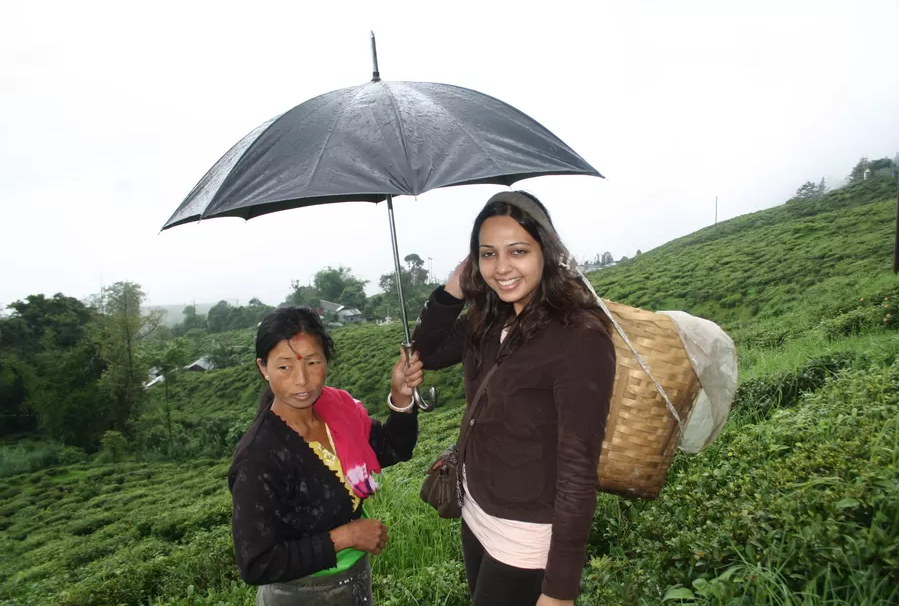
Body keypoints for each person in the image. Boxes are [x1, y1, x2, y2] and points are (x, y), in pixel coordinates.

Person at [413, 191, 616, 606]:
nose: (502, 267)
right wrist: (453, 289)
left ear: (546, 251)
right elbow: (427, 352)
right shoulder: (489, 319)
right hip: (476, 511)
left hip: (525, 535)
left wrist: (560, 589)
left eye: (518, 251)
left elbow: (578, 471)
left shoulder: (578, 337)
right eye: (488, 254)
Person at [228, 305, 423, 605]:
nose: (302, 380)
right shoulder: (260, 457)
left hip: (354, 587)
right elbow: (257, 562)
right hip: (298, 597)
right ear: (263, 368)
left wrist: (401, 396)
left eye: (313, 362)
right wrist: (346, 537)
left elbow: (393, 448)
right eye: (284, 367)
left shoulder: (337, 412)